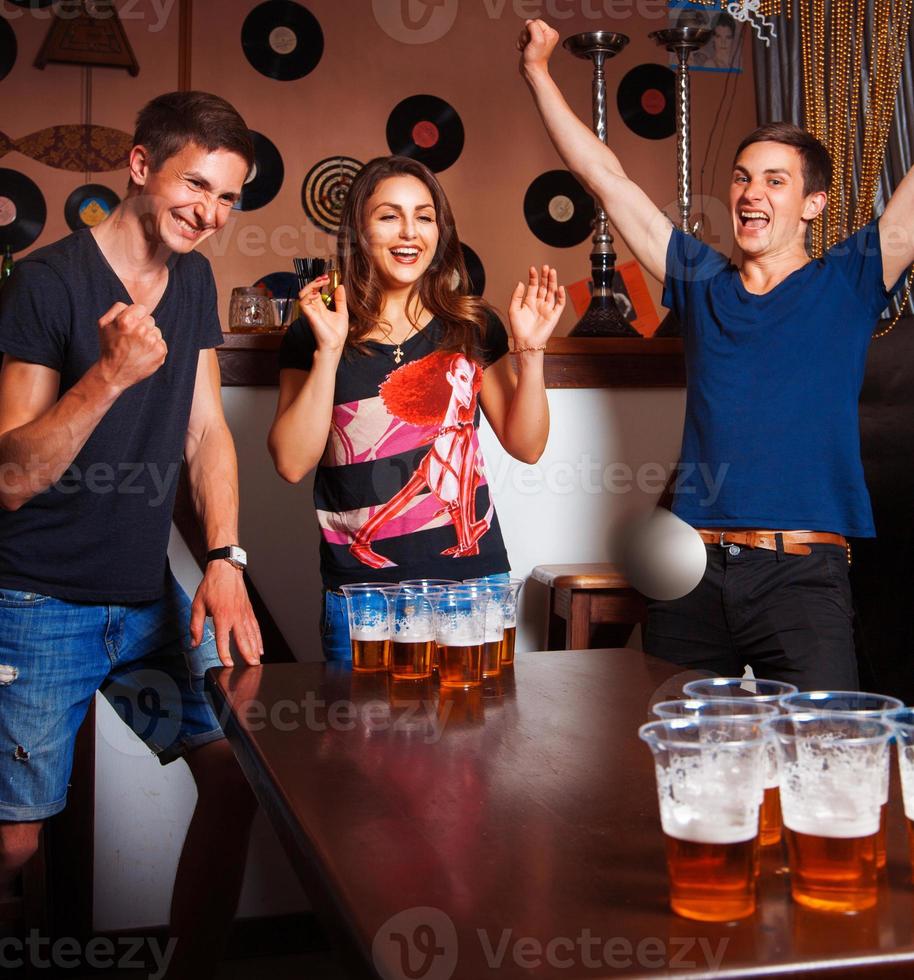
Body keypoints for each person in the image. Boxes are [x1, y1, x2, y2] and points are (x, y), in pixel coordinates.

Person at [518, 19, 914, 689]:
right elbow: (605, 179)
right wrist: (537, 72)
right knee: (674, 770)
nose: (750, 192)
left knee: (821, 765)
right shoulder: (700, 281)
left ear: (813, 203)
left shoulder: (849, 281)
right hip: (688, 570)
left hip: (801, 577)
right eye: (741, 177)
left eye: (774, 181)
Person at [0, 91, 263, 976]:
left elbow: (206, 431)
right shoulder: (47, 281)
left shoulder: (193, 280)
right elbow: (11, 477)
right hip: (38, 599)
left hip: (143, 598)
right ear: (141, 166)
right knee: (16, 848)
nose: (212, 213)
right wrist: (107, 378)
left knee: (235, 783)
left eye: (229, 198)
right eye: (197, 184)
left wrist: (225, 558)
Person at [268, 155, 565, 660]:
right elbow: (292, 463)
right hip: (362, 598)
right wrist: (330, 350)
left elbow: (527, 446)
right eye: (389, 216)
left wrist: (531, 351)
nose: (409, 232)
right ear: (360, 229)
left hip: (471, 589)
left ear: (440, 230)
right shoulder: (318, 327)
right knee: (363, 740)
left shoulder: (472, 327)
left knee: (478, 736)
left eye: (424, 216)